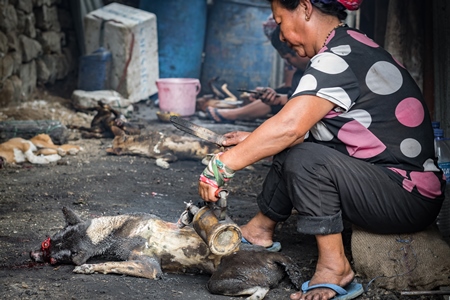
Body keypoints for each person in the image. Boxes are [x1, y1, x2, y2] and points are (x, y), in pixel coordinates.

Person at [197, 0, 445, 300]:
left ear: (304, 8)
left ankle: (334, 266)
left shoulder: (336, 58)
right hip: (387, 180)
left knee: (307, 158)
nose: (282, 34)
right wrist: (255, 141)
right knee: (296, 147)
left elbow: (291, 126)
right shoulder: (349, 46)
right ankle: (259, 230)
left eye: (279, 21)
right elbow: (302, 130)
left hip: (408, 194)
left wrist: (222, 166)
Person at [206, 25, 309, 123]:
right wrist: (276, 97)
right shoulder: (299, 75)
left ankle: (236, 114)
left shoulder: (320, 69)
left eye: (288, 58)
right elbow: (292, 97)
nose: (289, 63)